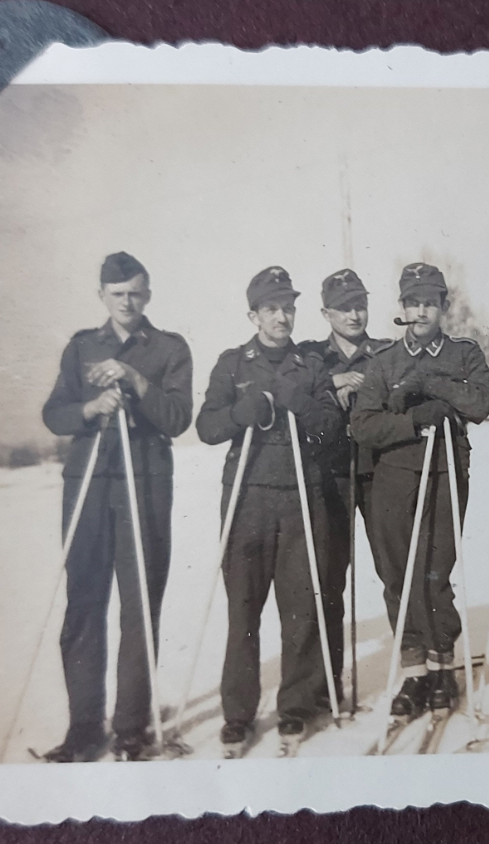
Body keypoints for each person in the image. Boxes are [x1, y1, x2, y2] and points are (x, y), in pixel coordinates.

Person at [41, 252, 193, 762]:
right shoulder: (82, 346)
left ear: (148, 294)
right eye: (118, 293)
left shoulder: (169, 348)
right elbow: (54, 412)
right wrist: (90, 407)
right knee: (84, 602)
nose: (128, 302)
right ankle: (84, 728)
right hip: (88, 483)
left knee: (139, 605)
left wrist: (134, 379)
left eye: (136, 293)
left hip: (145, 485)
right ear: (102, 295)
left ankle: (131, 728)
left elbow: (176, 418)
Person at [195, 266, 344, 755]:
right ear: (253, 314)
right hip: (247, 500)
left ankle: (296, 706)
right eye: (272, 309)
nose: (282, 316)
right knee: (244, 610)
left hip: (302, 497)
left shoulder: (311, 364)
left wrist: (299, 401)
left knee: (301, 608)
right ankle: (238, 712)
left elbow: (331, 429)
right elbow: (207, 426)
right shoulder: (234, 363)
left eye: (288, 307)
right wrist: (241, 413)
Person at [351, 263, 489, 716]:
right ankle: (414, 672)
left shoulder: (464, 354)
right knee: (398, 574)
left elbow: (480, 402)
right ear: (402, 307)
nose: (421, 310)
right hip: (394, 476)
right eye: (413, 302)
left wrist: (431, 383)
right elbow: (363, 425)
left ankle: (442, 667)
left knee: (435, 572)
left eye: (430, 302)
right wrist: (412, 419)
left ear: (443, 306)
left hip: (446, 471)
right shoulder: (384, 362)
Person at [296, 269, 394, 696]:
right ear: (326, 312)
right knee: (328, 577)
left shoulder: (388, 351)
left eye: (360, 304)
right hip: (332, 475)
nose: (354, 314)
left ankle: (417, 671)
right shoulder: (312, 356)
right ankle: (325, 683)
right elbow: (296, 391)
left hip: (380, 473)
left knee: (396, 569)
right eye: (344, 307)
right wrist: (332, 384)